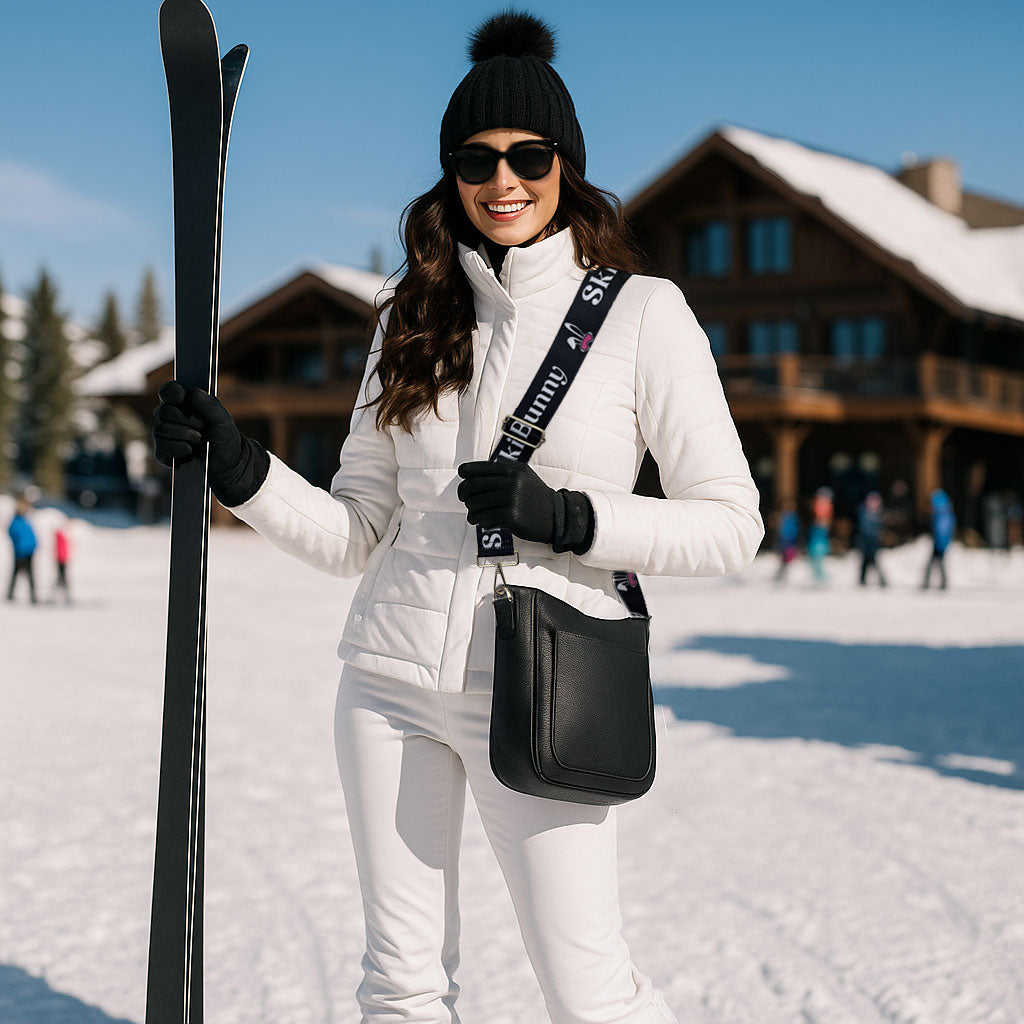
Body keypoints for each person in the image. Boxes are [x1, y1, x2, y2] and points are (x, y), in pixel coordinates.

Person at [153, 11, 763, 1022]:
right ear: (450, 173)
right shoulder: (409, 319)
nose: (502, 180)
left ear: (564, 163)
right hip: (389, 685)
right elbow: (355, 532)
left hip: (545, 688)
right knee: (398, 983)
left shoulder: (643, 314)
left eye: (527, 155)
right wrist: (240, 466)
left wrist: (569, 517)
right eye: (474, 160)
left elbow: (730, 523)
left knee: (588, 989)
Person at [7, 496, 38, 604]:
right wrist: (19, 546)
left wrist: (34, 545)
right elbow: (13, 534)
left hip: (29, 551)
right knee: (16, 574)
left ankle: (33, 596)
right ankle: (10, 595)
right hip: (20, 552)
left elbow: (31, 536)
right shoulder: (16, 522)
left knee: (30, 575)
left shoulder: (25, 521)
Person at [922, 488, 955, 589]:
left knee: (936, 562)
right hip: (940, 541)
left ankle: (931, 583)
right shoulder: (944, 511)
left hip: (940, 541)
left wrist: (941, 541)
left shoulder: (942, 513)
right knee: (937, 562)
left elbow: (942, 529)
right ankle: (937, 582)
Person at [855, 491, 887, 587]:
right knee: (865, 562)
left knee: (874, 561)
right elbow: (863, 528)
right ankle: (863, 579)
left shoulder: (878, 514)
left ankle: (881, 580)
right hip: (865, 542)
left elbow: (879, 528)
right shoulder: (864, 513)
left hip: (873, 542)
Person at [807, 486, 833, 584]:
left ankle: (819, 575)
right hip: (817, 544)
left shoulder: (823, 505)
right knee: (817, 557)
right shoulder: (820, 505)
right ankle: (818, 576)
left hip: (819, 542)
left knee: (818, 558)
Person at [773, 498, 800, 582]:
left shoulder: (794, 517)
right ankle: (780, 576)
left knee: (787, 560)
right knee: (783, 560)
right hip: (783, 541)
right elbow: (781, 530)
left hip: (790, 541)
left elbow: (795, 530)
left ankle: (783, 576)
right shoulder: (783, 516)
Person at [52, 519, 72, 604]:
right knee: (61, 578)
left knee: (61, 578)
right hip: (61, 559)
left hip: (63, 559)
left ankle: (62, 595)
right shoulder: (60, 535)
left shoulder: (63, 535)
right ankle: (60, 595)